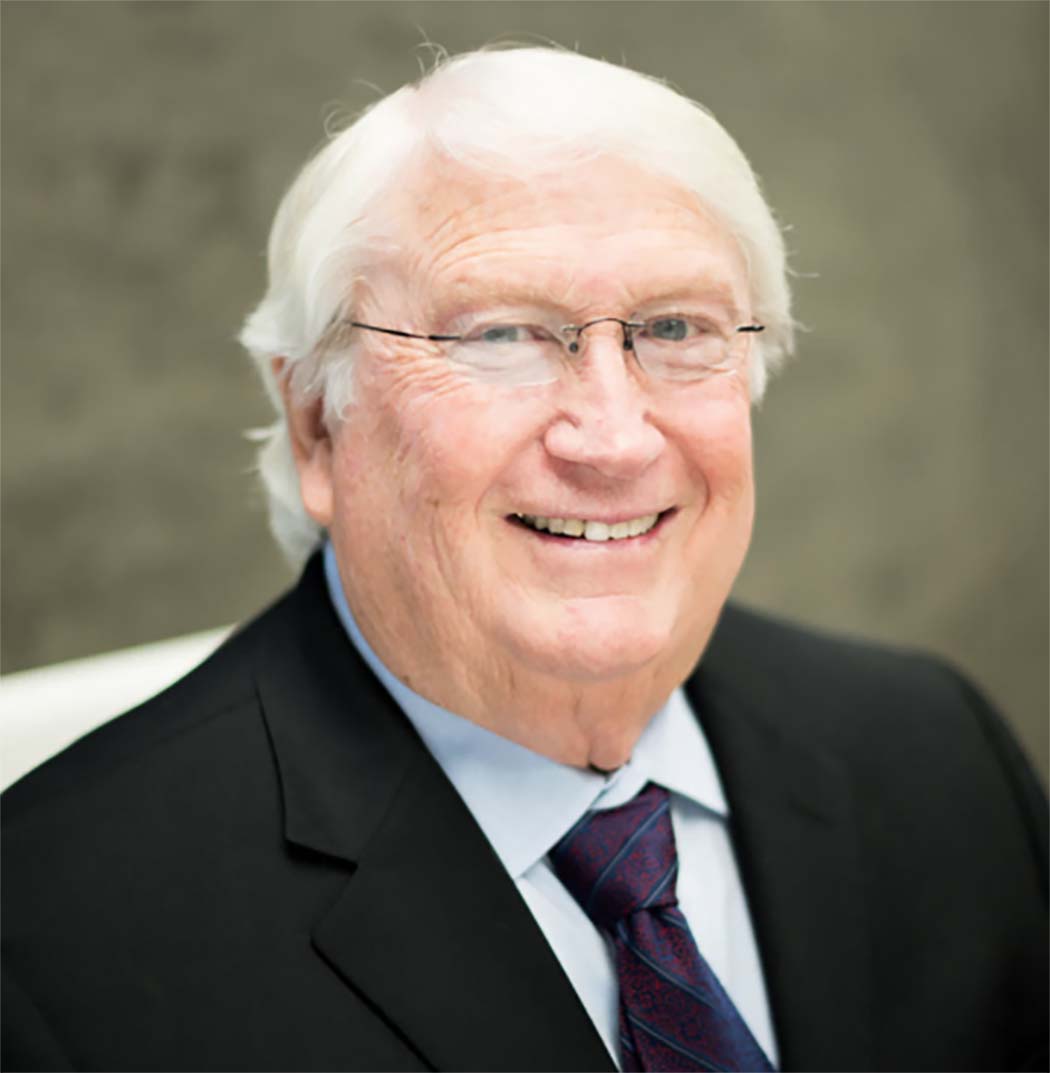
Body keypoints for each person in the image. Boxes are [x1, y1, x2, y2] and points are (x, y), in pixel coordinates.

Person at [2, 47, 1046, 1073]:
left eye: (674, 326)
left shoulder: (934, 753)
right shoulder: (52, 943)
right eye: (502, 335)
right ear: (318, 421)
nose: (613, 438)